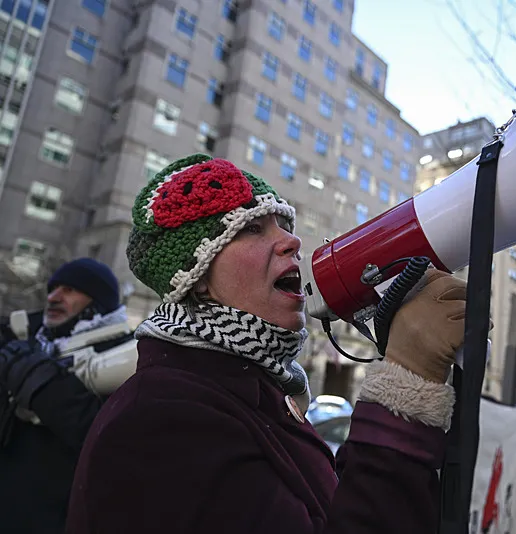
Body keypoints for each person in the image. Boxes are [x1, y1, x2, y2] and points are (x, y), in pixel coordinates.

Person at [65, 154, 467, 534]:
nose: (292, 242)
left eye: (284, 226)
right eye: (252, 228)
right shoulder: (162, 420)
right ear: (196, 274)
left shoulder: (253, 392)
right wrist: (406, 382)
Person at [0, 258, 134, 534]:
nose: (54, 297)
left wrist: (44, 386)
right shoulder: (31, 341)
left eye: (70, 289)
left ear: (98, 302)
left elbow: (111, 440)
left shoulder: (127, 356)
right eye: (53, 288)